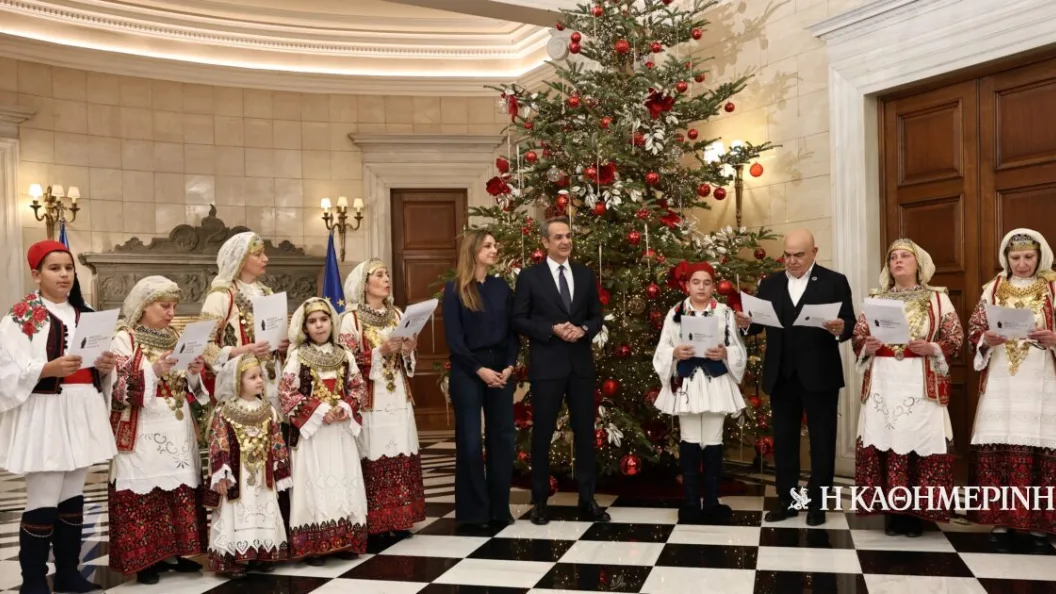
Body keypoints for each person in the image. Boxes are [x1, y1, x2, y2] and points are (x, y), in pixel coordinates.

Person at [0, 240, 118, 594]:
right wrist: (45, 368)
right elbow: (5, 369)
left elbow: (99, 366)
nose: (64, 274)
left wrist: (105, 367)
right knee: (44, 497)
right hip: (46, 412)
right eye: (54, 268)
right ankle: (33, 580)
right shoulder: (22, 317)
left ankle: (68, 572)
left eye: (68, 268)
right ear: (36, 275)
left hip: (82, 409)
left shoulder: (88, 314)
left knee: (72, 497)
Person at [734, 229, 855, 526]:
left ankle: (818, 506)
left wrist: (842, 327)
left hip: (820, 374)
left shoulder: (834, 281)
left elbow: (850, 322)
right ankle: (787, 502)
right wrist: (745, 323)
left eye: (798, 255)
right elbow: (757, 326)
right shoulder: (770, 283)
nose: (792, 261)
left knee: (822, 442)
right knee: (784, 442)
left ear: (814, 252)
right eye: (787, 255)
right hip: (781, 374)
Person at [852, 239, 962, 537]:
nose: (897, 261)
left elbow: (955, 338)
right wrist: (867, 345)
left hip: (919, 381)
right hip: (884, 381)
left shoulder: (937, 299)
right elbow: (858, 336)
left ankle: (916, 515)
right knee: (887, 439)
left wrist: (932, 347)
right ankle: (892, 513)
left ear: (919, 264)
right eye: (893, 258)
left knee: (917, 440)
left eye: (904, 256)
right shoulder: (876, 299)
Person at [108, 276, 210, 584]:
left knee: (177, 487)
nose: (171, 312)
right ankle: (146, 559)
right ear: (144, 306)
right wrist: (152, 370)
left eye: (174, 306)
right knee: (146, 489)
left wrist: (194, 373)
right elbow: (117, 386)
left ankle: (174, 552)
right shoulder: (124, 337)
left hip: (177, 424)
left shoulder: (176, 335)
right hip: (142, 427)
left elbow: (191, 387)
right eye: (164, 306)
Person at [512, 216, 609, 526]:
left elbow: (596, 315)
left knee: (585, 433)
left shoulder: (584, 274)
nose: (565, 241)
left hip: (580, 366)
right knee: (542, 434)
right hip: (547, 366)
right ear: (545, 242)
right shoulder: (530, 277)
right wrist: (551, 328)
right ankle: (540, 502)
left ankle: (587, 499)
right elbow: (519, 318)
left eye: (568, 236)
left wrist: (584, 329)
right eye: (558, 237)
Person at [968, 228, 1056, 552]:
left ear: (1040, 256)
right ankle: (1000, 521)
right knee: (1000, 445)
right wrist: (985, 339)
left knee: (1041, 447)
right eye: (1015, 257)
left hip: (1041, 380)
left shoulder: (1053, 288)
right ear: (1006, 258)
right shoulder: (992, 288)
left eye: (1028, 257)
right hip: (1001, 378)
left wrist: (1054, 339)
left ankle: (1040, 526)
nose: (1022, 263)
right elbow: (975, 328)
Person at [653, 261, 746, 524]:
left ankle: (712, 502)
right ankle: (692, 502)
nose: (701, 287)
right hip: (688, 384)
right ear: (687, 285)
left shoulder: (725, 313)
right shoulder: (675, 313)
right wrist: (675, 352)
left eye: (707, 282)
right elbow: (663, 348)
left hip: (716, 383)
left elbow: (737, 347)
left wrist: (725, 352)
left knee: (713, 440)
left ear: (713, 286)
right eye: (696, 282)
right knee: (690, 439)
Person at [339, 259, 426, 538]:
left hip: (397, 394)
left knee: (401, 447)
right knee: (373, 451)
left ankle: (400, 518)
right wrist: (381, 352)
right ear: (365, 284)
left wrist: (408, 349)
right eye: (379, 275)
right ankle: (375, 522)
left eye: (387, 274)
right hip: (371, 401)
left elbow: (407, 358)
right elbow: (345, 363)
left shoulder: (397, 314)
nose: (386, 279)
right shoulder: (351, 319)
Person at [280, 297, 368, 564]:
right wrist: (318, 411)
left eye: (323, 319)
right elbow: (286, 393)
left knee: (343, 480)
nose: (319, 325)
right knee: (314, 485)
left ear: (332, 322)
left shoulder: (345, 354)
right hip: (313, 435)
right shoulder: (297, 356)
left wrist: (345, 406)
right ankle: (314, 546)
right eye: (312, 321)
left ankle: (345, 540)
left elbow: (358, 387)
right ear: (305, 327)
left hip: (339, 433)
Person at [442, 229, 519, 529]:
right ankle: (474, 513)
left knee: (503, 439)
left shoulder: (501, 288)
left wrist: (509, 365)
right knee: (470, 440)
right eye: (487, 245)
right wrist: (479, 370)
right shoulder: (455, 290)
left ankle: (499, 509)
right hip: (468, 370)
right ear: (473, 251)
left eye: (494, 245)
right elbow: (455, 340)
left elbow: (512, 333)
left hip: (501, 369)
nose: (494, 249)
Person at [205, 354, 292, 578]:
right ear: (237, 380)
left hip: (262, 474)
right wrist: (221, 473)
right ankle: (232, 558)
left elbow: (277, 442)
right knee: (237, 510)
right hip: (238, 476)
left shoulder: (268, 410)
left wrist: (281, 471)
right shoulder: (224, 411)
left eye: (260, 376)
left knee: (262, 507)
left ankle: (260, 553)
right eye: (252, 377)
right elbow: (218, 442)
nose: (260, 380)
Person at [201, 232, 288, 413]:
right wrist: (240, 351)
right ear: (240, 259)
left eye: (264, 253)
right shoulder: (220, 296)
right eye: (257, 254)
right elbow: (203, 346)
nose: (265, 259)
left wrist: (283, 347)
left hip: (272, 377)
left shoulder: (268, 293)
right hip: (240, 382)